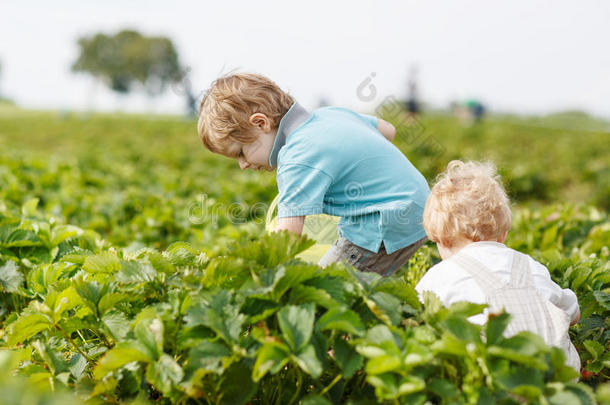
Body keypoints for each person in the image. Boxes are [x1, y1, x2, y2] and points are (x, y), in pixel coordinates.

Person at [197, 73, 430, 276]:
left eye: (240, 152)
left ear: (260, 123)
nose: (243, 165)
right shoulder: (330, 114)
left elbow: (288, 236)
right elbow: (388, 130)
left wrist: (264, 275)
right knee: (367, 280)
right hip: (422, 203)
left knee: (326, 285)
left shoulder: (295, 158)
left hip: (384, 221)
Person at [415, 160, 580, 371]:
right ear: (503, 234)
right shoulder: (530, 265)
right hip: (555, 376)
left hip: (490, 378)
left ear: (441, 239)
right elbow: (573, 313)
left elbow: (416, 318)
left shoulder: (440, 275)